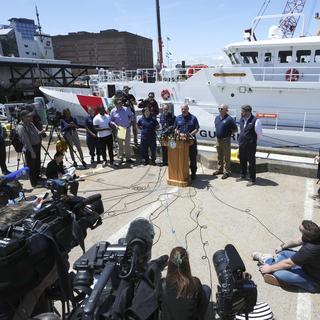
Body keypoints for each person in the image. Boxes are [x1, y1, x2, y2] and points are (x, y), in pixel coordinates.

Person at [253, 220, 320, 293]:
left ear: (308, 237)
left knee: (279, 273)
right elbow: (298, 241)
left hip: (314, 277)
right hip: (310, 264)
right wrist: (282, 247)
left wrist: (270, 268)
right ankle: (285, 280)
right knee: (283, 253)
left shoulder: (309, 249)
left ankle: (268, 260)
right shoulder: (315, 234)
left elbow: (289, 263)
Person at [161, 247, 211, 320]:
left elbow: (159, 305)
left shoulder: (162, 284)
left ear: (170, 264)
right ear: (187, 264)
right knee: (206, 289)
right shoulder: (195, 283)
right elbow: (199, 303)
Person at [16, 110, 45, 188]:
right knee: (32, 166)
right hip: (30, 149)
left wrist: (42, 131)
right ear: (23, 117)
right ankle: (34, 183)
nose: (31, 117)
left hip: (37, 146)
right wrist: (32, 151)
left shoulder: (31, 124)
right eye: (28, 116)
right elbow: (26, 141)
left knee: (37, 164)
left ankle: (37, 178)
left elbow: (37, 133)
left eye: (31, 116)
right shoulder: (21, 127)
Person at [237, 104, 262, 186]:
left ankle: (252, 179)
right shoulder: (241, 119)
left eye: (242, 111)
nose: (241, 112)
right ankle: (243, 175)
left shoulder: (256, 120)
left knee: (251, 163)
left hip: (250, 147)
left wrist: (251, 141)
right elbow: (241, 131)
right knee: (242, 161)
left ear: (248, 112)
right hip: (242, 145)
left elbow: (259, 134)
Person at [174, 104, 200, 180]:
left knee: (192, 157)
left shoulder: (193, 118)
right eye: (182, 109)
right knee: (182, 157)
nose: (183, 110)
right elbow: (175, 128)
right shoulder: (177, 118)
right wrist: (178, 132)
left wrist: (190, 135)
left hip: (191, 141)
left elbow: (197, 129)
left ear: (188, 109)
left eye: (185, 109)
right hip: (181, 142)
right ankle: (183, 172)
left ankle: (193, 173)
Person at [212, 104, 238, 179]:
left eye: (221, 109)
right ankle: (220, 169)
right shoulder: (217, 118)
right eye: (219, 108)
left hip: (226, 140)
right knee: (219, 156)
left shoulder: (229, 119)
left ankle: (226, 172)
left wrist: (228, 134)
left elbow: (235, 129)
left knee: (226, 157)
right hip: (218, 139)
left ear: (226, 110)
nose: (219, 110)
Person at [110, 97, 134, 163]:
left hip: (126, 129)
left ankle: (128, 158)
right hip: (119, 130)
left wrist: (130, 123)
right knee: (120, 145)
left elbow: (132, 116)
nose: (121, 104)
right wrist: (115, 125)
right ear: (115, 104)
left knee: (127, 145)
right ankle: (121, 158)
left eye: (121, 102)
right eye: (119, 103)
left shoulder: (126, 109)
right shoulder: (113, 111)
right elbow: (111, 120)